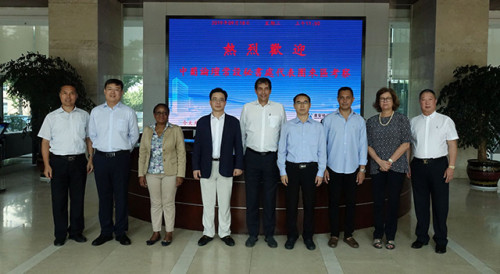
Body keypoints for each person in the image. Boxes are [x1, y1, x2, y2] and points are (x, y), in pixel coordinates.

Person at [38, 84, 94, 246]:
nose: (68, 96)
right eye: (65, 93)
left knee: (78, 198)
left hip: (78, 161)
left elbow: (89, 139)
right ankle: (60, 234)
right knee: (59, 199)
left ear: (76, 96)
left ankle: (76, 232)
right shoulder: (51, 117)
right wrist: (47, 165)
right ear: (60, 95)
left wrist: (90, 159)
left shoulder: (84, 115)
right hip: (58, 163)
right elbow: (45, 142)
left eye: (71, 93)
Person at [88, 79, 139, 246]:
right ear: (104, 91)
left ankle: (121, 232)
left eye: (116, 90)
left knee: (121, 195)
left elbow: (134, 136)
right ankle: (105, 232)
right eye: (109, 89)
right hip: (101, 158)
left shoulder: (128, 112)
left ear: (122, 92)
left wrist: (124, 150)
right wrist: (98, 150)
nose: (112, 92)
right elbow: (92, 135)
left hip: (121, 158)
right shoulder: (95, 112)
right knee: (104, 196)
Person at [192, 88, 244, 247]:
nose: (218, 102)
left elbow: (239, 146)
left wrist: (239, 165)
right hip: (206, 167)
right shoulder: (201, 122)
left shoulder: (233, 122)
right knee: (207, 203)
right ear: (210, 102)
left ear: (225, 102)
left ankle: (224, 233)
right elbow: (197, 147)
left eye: (221, 99)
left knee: (224, 203)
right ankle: (207, 232)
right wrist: (195, 167)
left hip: (226, 166)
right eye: (215, 99)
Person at [409, 89, 458, 254]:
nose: (427, 102)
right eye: (423, 99)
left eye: (430, 99)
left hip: (439, 166)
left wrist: (451, 167)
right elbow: (410, 146)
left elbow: (452, 145)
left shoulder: (445, 121)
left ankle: (441, 239)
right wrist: (408, 164)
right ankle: (421, 237)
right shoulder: (413, 122)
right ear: (419, 102)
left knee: (440, 204)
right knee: (420, 203)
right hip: (418, 165)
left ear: (435, 101)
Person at [240, 77, 287, 248]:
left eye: (266, 88)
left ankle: (269, 234)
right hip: (251, 157)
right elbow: (242, 134)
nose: (263, 92)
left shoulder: (279, 108)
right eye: (260, 88)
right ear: (255, 90)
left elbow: (283, 135)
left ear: (270, 90)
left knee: (269, 199)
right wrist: (243, 158)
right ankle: (252, 234)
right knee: (251, 198)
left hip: (271, 158)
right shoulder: (247, 108)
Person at [277, 93, 326, 250]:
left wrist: (320, 172)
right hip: (291, 168)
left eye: (305, 102)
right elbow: (281, 151)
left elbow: (322, 152)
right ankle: (291, 236)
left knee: (309, 205)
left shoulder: (318, 127)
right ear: (294, 106)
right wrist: (282, 171)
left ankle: (308, 236)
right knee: (290, 205)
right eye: (299, 102)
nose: (302, 105)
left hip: (311, 169)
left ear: (310, 105)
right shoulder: (287, 126)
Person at [322, 86, 367, 249]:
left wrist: (362, 169)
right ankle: (334, 235)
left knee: (351, 203)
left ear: (353, 99)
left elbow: (363, 145)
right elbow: (323, 145)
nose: (345, 100)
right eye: (342, 97)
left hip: (353, 169)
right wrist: (324, 167)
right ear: (337, 99)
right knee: (333, 203)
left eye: (348, 97)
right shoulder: (328, 119)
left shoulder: (360, 120)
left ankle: (348, 235)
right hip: (333, 168)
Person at [366, 87, 411, 250]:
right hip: (377, 167)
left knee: (393, 202)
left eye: (388, 98)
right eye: (382, 98)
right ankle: (378, 234)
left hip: (396, 166)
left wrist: (389, 161)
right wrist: (379, 161)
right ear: (378, 102)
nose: (385, 101)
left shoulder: (401, 119)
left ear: (394, 101)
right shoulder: (371, 121)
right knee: (378, 202)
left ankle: (390, 236)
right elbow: (368, 145)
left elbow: (406, 143)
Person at [138, 103, 186, 246]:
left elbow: (181, 153)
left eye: (164, 112)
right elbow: (143, 153)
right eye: (158, 112)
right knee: (155, 203)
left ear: (168, 114)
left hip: (170, 173)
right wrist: (141, 174)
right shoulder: (147, 130)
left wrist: (180, 174)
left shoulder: (175, 130)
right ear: (154, 115)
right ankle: (156, 231)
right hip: (151, 172)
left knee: (168, 203)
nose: (161, 115)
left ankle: (169, 232)